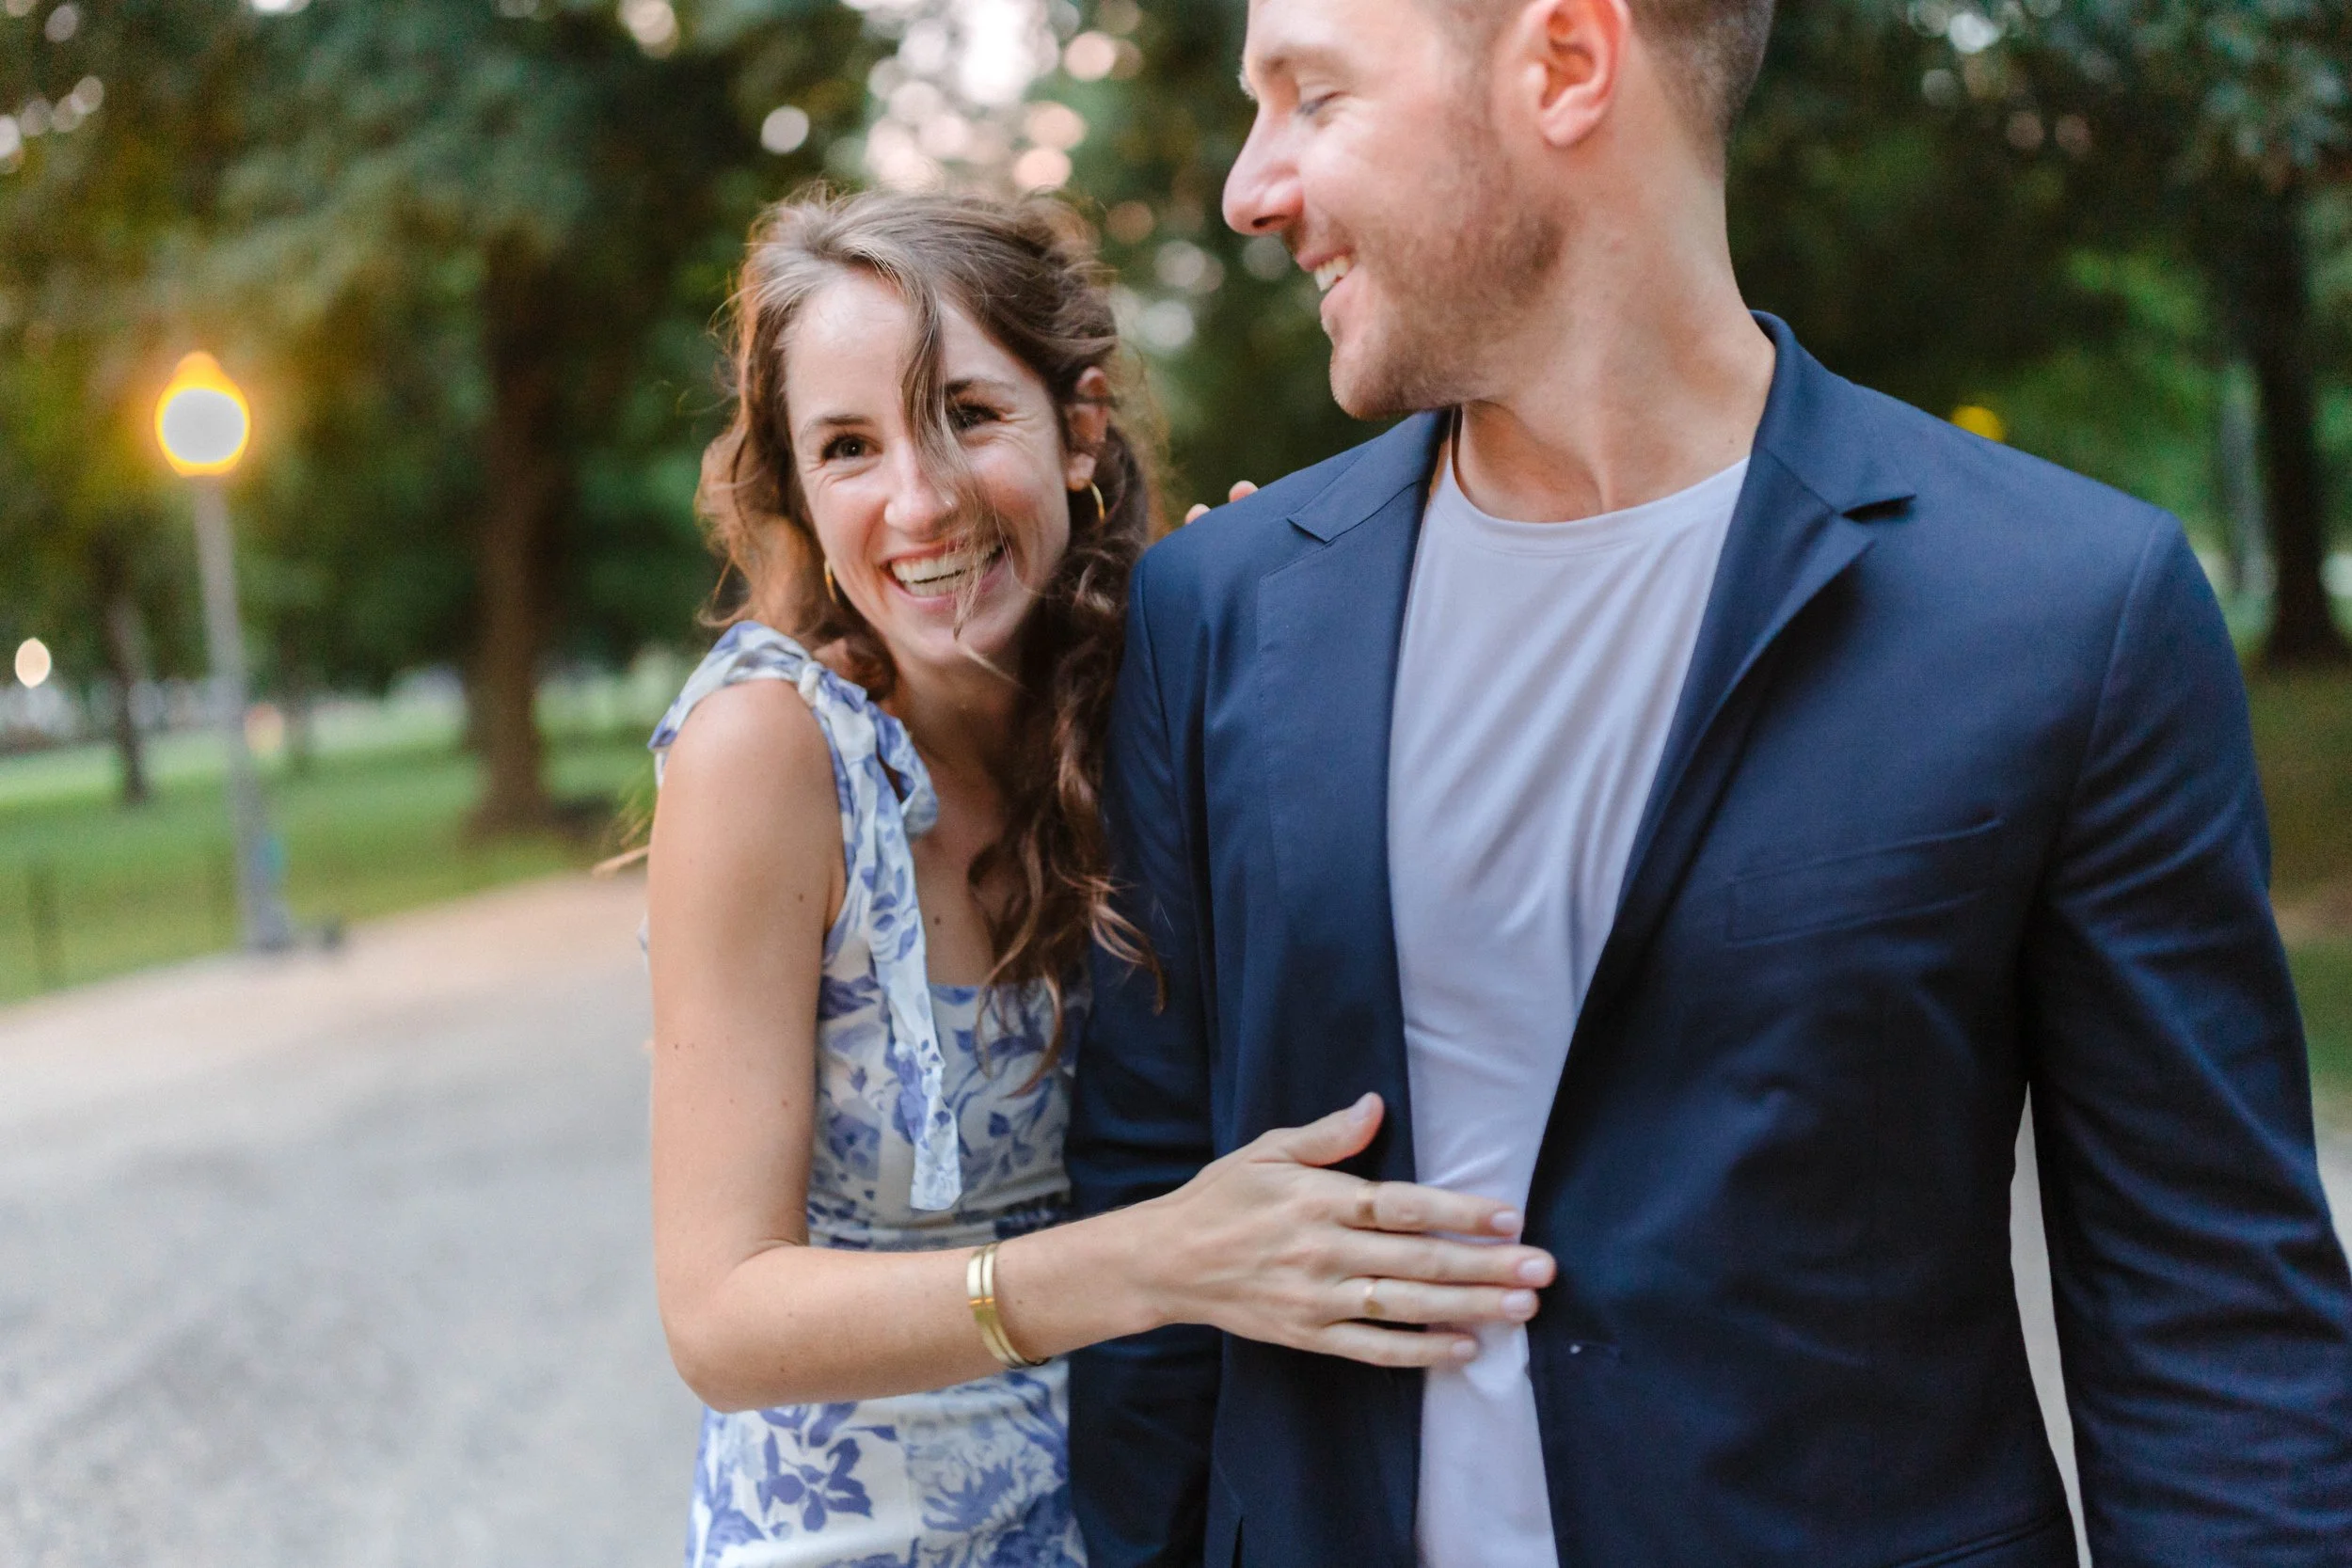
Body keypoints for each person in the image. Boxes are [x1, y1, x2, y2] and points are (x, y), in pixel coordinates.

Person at [1066, 0, 2352, 1564]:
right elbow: (1145, 1242)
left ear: (1565, 63)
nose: (1250, 190)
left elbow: (2211, 1323)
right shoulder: (1221, 611)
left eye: (1312, 97)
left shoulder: (2070, 610)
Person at [643, 188, 1556, 1568]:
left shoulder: (1162, 684)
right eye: (847, 446)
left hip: (1142, 1518)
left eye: (967, 412)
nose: (920, 498)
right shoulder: (769, 755)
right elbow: (718, 1319)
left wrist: (1279, 677)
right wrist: (1154, 1260)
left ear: (1077, 426)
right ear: (798, 494)